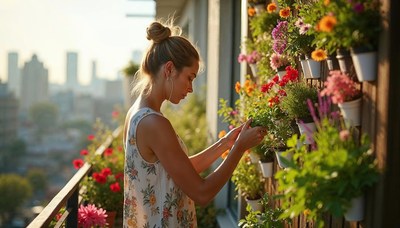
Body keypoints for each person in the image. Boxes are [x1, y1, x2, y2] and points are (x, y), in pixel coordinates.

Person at [122, 20, 267, 228]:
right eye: (189, 78)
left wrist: (225, 144)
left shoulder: (135, 114)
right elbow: (201, 192)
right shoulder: (154, 123)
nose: (190, 89)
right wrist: (239, 148)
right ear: (170, 69)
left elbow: (178, 171)